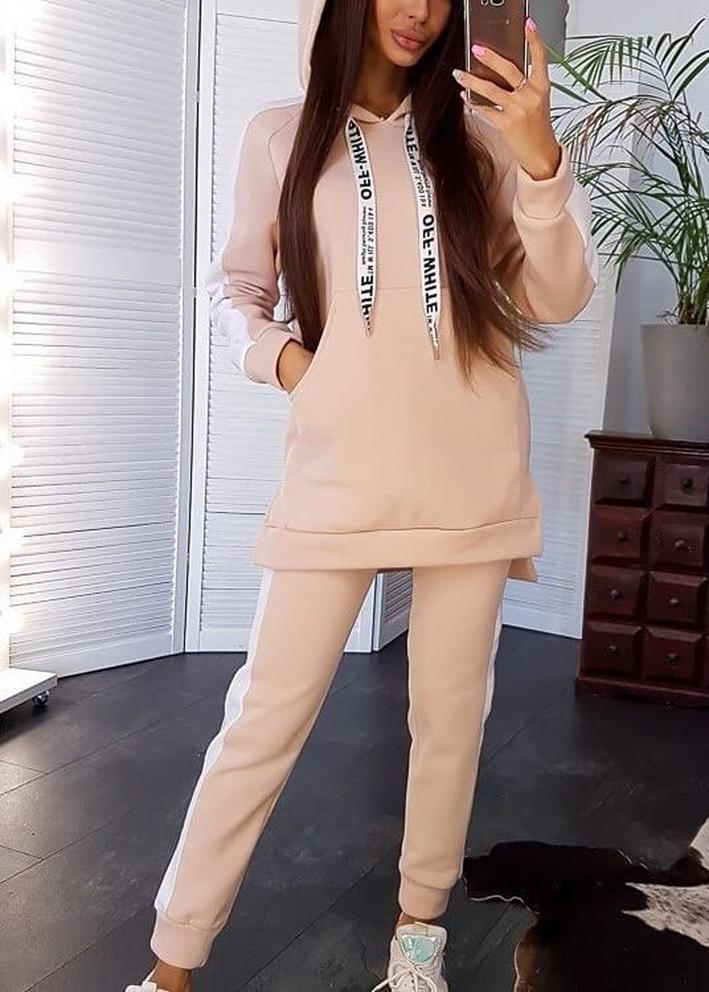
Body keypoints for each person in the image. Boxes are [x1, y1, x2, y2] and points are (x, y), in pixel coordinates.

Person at [127, 1, 598, 989]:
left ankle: (417, 942)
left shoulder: (478, 140)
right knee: (262, 718)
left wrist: (539, 160)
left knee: (449, 723)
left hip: (470, 471)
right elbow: (235, 288)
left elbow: (556, 297)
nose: (417, 10)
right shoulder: (280, 134)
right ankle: (172, 964)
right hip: (335, 469)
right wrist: (293, 365)